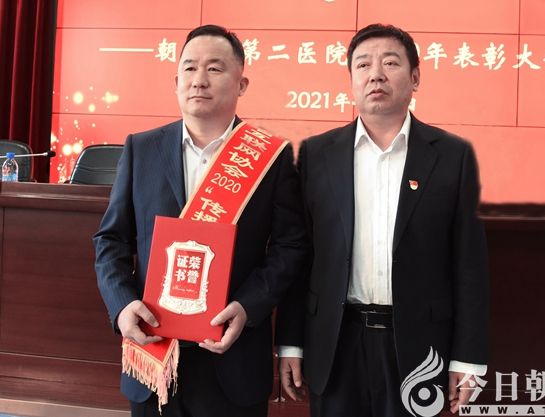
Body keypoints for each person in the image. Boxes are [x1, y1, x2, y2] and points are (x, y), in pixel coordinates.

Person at [94, 24, 307, 417]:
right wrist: (122, 306)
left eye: (214, 68)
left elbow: (290, 247)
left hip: (234, 358)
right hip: (153, 356)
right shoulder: (141, 148)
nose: (199, 80)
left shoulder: (271, 158)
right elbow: (111, 240)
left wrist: (248, 306)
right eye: (190, 68)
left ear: (242, 84)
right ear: (176, 81)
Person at [277, 24, 489, 417]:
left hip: (420, 345)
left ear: (415, 77)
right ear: (351, 81)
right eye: (363, 65)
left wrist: (469, 358)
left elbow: (469, 264)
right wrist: (291, 343)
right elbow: (301, 255)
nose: (375, 74)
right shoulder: (316, 155)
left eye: (390, 63)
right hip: (335, 343)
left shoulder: (451, 156)